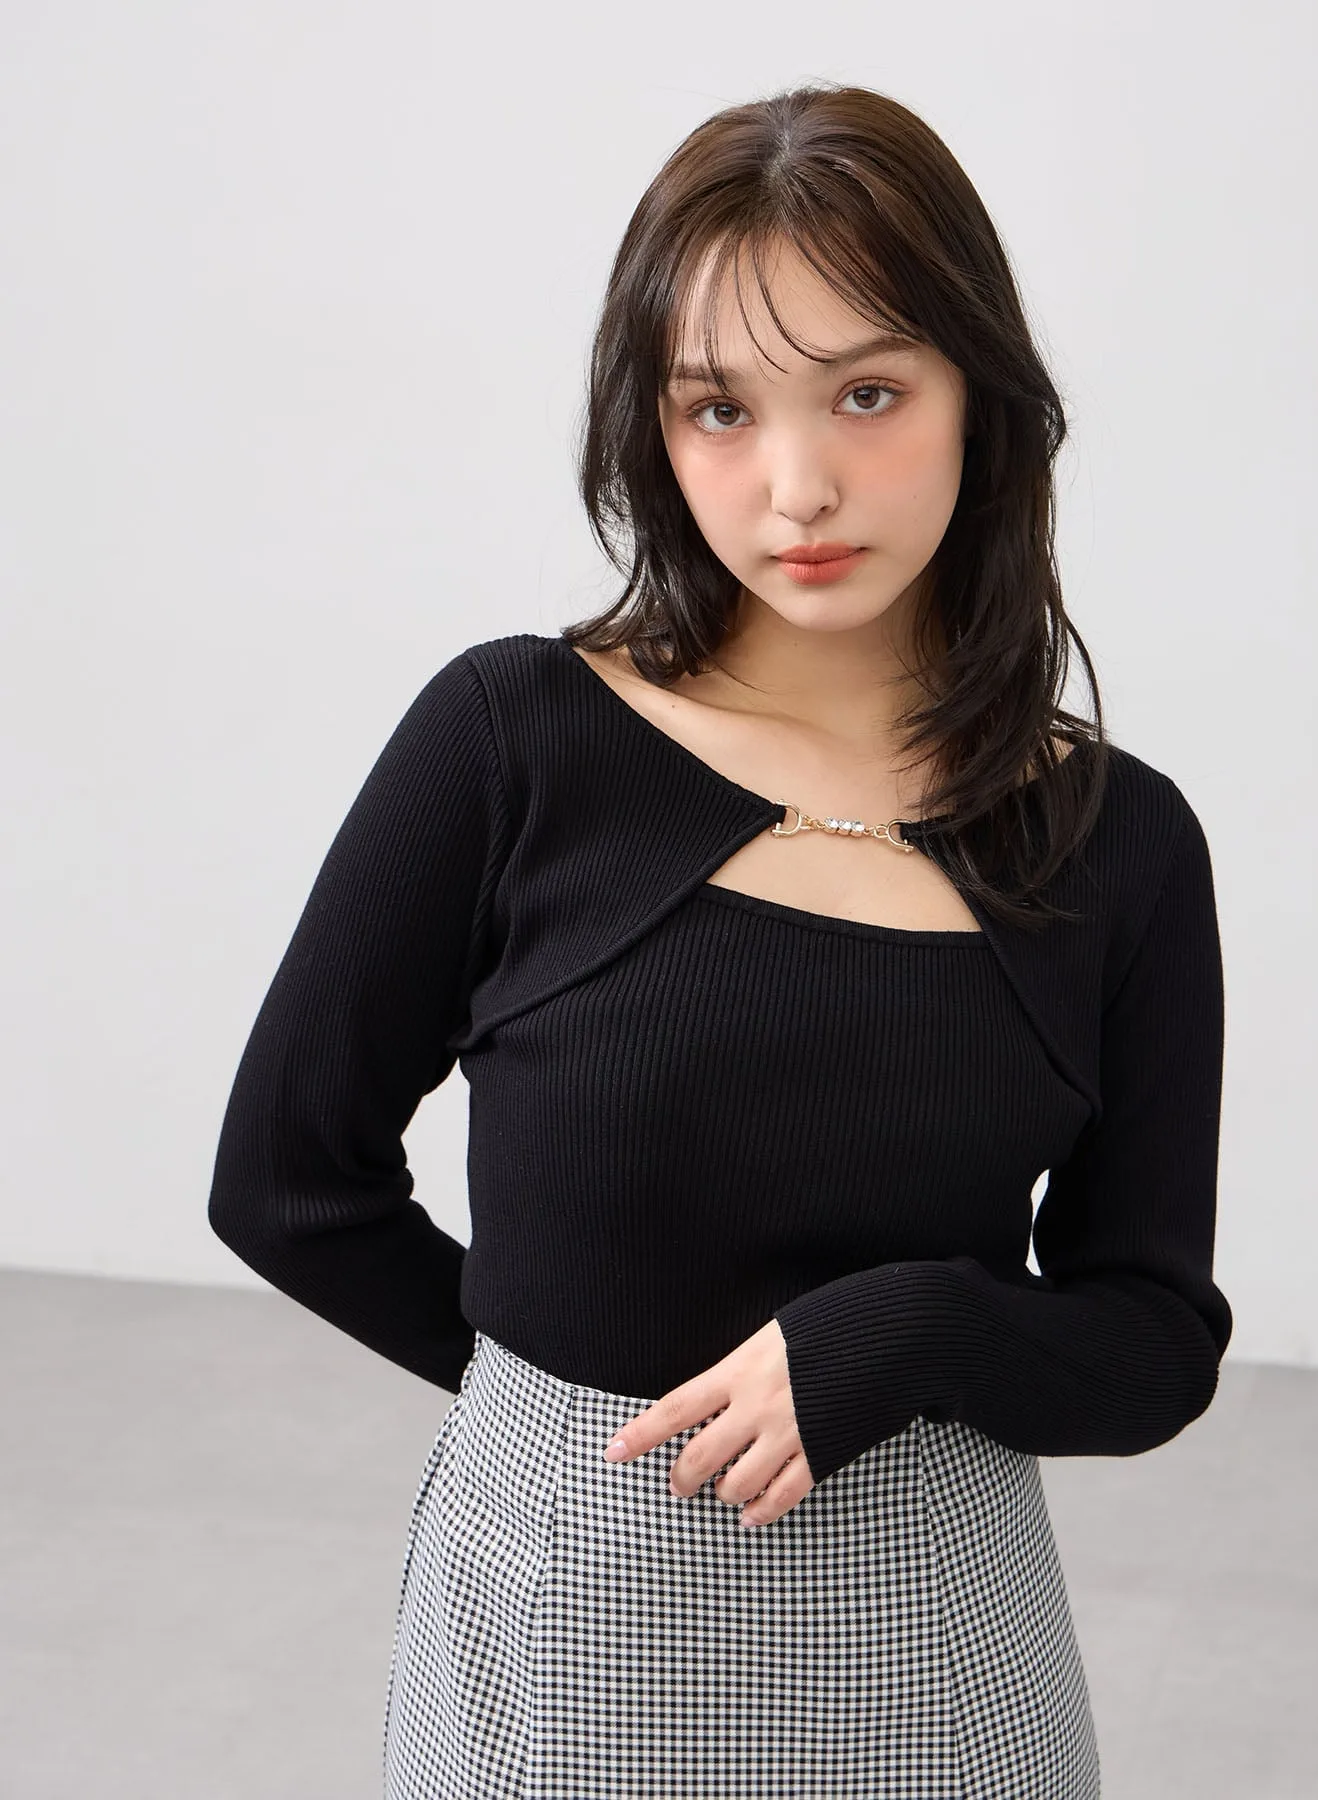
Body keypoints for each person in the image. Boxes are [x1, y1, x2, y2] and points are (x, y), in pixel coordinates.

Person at [207, 81, 1231, 1800]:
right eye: (719, 409)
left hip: (945, 1654)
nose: (796, 485)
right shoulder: (512, 742)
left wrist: (908, 1334)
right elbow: (286, 1181)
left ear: (983, 400)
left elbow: (1152, 1347)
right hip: (563, 1628)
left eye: (869, 393)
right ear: (653, 429)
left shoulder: (1119, 841)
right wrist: (550, 1409)